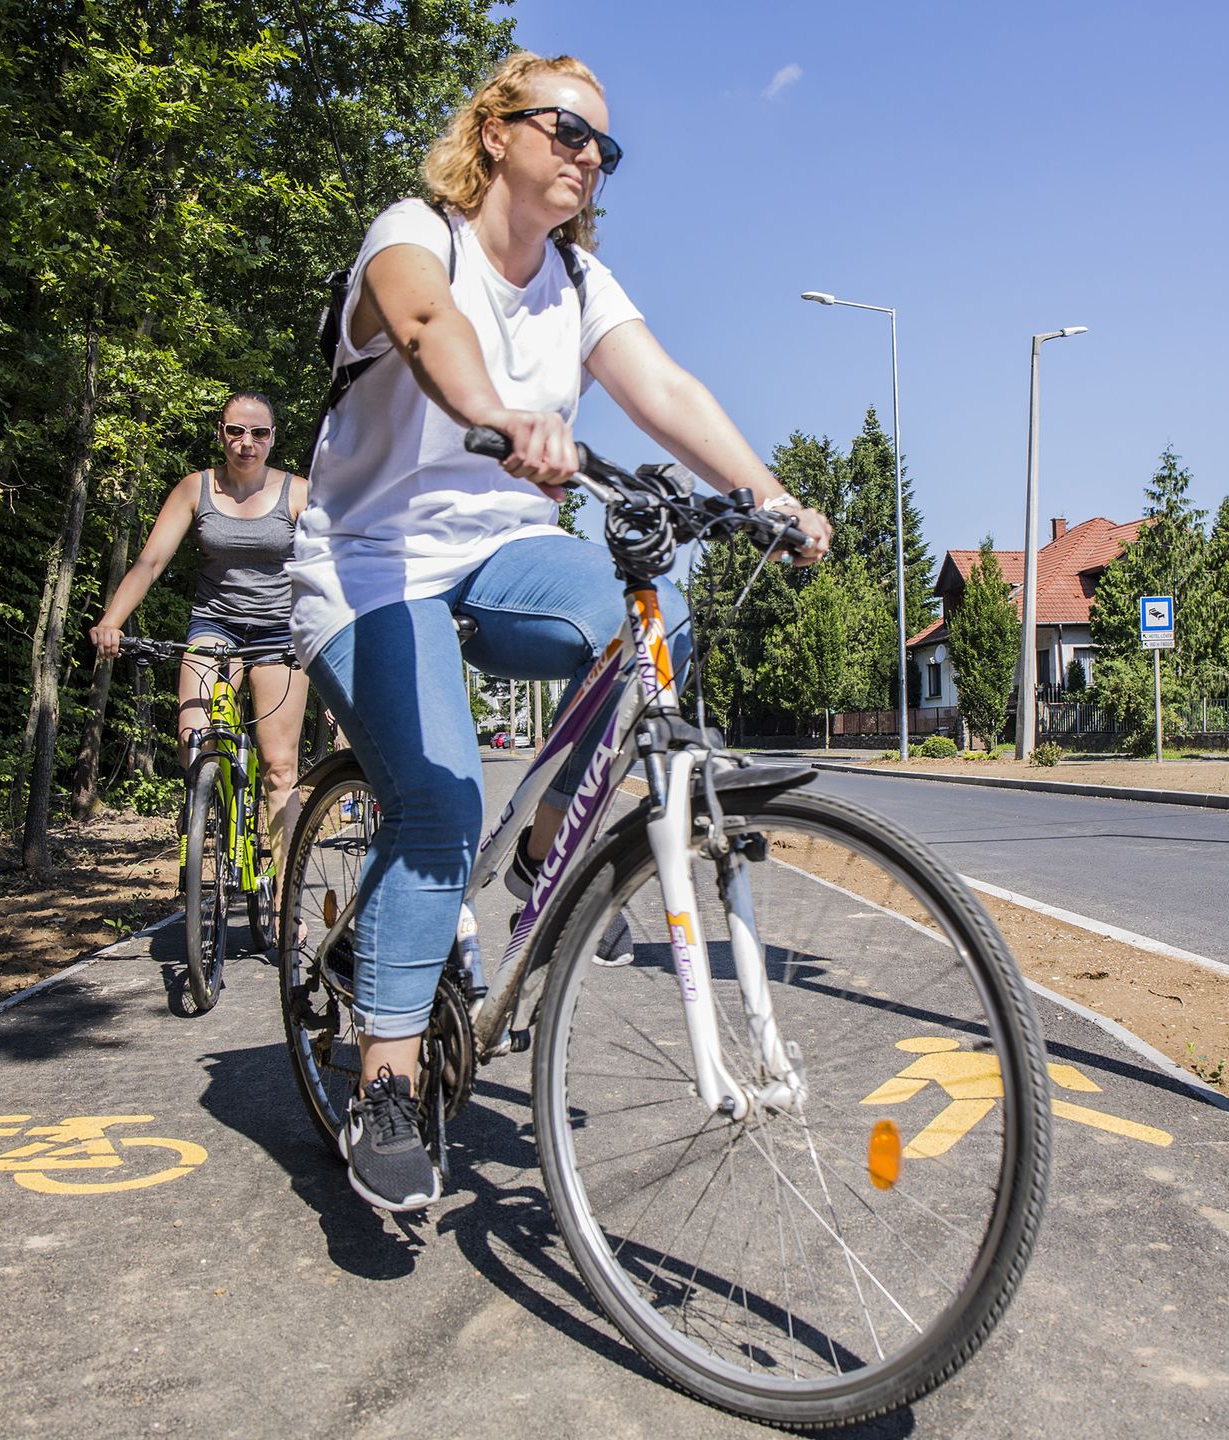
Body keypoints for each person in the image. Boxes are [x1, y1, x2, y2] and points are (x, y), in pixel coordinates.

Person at [288, 51, 833, 1212]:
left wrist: (770, 495)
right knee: (436, 803)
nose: (590, 157)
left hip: (495, 558)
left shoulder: (579, 283)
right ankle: (383, 1086)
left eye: (605, 146)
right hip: (367, 565)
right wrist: (499, 415)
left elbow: (667, 391)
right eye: (567, 131)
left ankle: (544, 844)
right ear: (495, 134)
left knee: (656, 615)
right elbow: (426, 324)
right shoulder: (416, 233)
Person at [90, 392, 311, 872]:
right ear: (221, 434)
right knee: (193, 740)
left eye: (259, 432)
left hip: (279, 632)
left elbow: (330, 571)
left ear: (273, 438)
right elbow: (150, 562)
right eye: (236, 431)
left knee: (279, 770)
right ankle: (216, 816)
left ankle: (283, 901)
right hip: (215, 625)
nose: (246, 442)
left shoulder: (299, 494)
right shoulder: (196, 489)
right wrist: (112, 620)